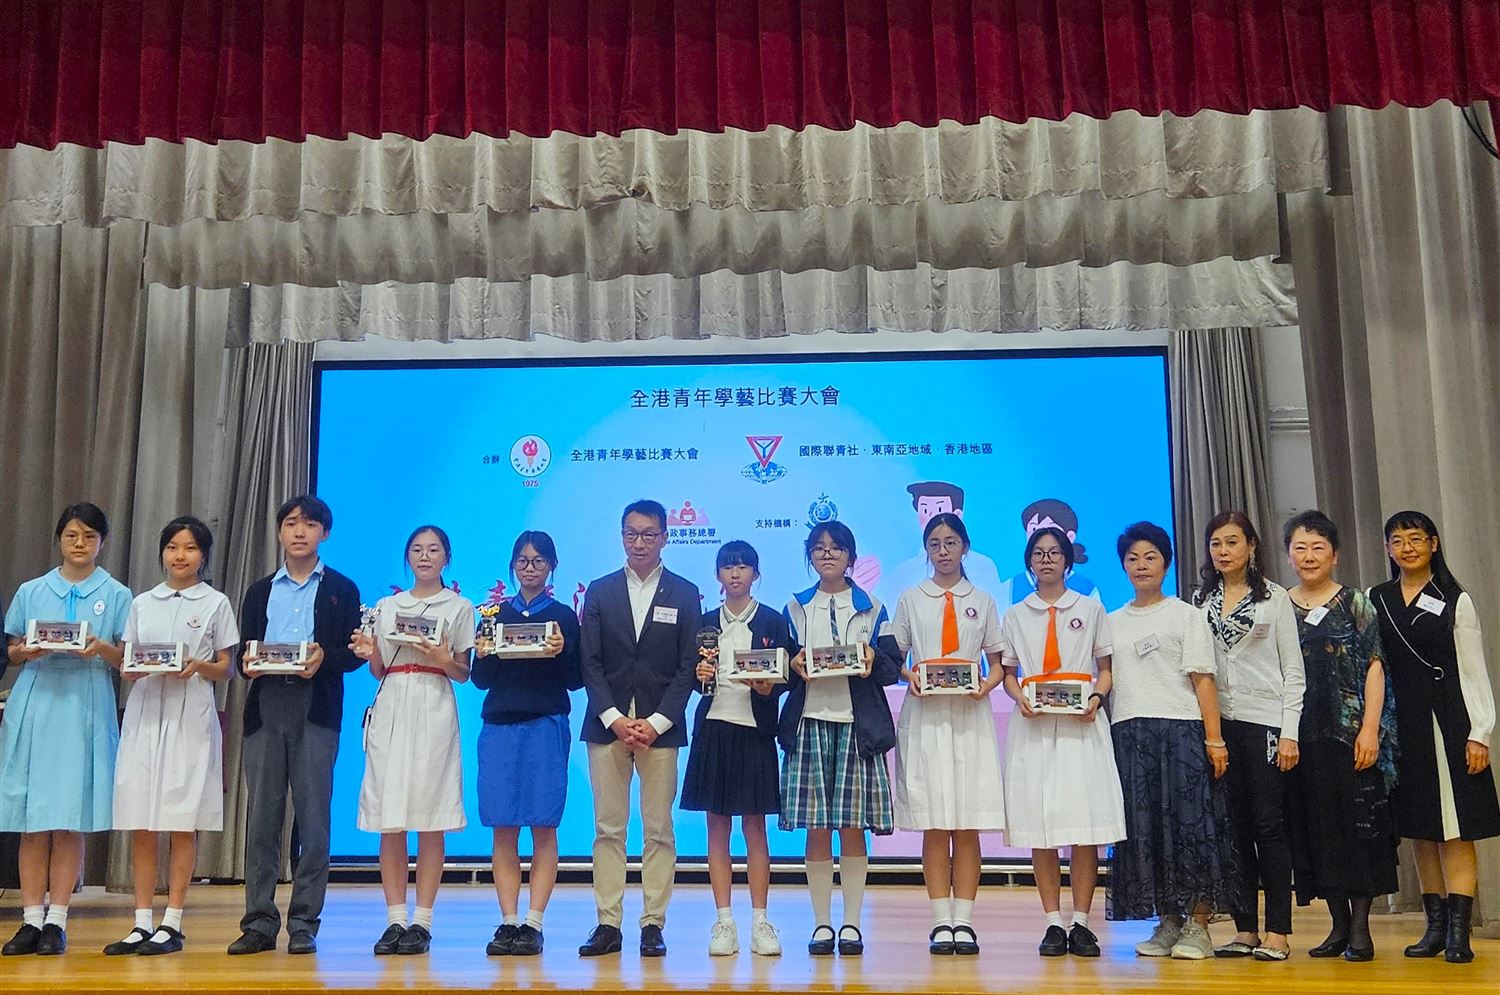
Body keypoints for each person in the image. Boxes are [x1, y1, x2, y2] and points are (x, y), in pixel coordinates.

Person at [229, 494, 362, 956]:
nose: (299, 531)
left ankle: (304, 921)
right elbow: (244, 654)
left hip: (316, 706)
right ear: (279, 532)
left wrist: (326, 659)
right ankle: (258, 922)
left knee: (313, 819)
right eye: (290, 523)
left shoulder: (342, 589)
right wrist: (248, 662)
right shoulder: (259, 590)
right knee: (262, 818)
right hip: (267, 704)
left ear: (325, 532)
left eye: (309, 523)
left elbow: (352, 654)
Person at [0, 503, 131, 956]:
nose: (80, 543)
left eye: (89, 536)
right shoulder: (32, 590)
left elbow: (127, 659)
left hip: (85, 704)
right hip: (36, 701)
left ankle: (57, 920)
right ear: (59, 538)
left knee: (70, 819)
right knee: (31, 820)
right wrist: (25, 653)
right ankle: (29, 920)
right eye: (72, 535)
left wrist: (101, 649)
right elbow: (12, 648)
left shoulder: (117, 594)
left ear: (102, 542)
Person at [107, 516, 239, 956]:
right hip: (146, 709)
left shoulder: (216, 602)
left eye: (190, 548)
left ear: (204, 555)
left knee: (182, 819)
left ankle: (174, 921)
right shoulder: (143, 602)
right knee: (142, 818)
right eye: (172, 547)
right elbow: (128, 660)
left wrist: (199, 666)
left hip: (190, 711)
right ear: (162, 552)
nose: (180, 556)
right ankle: (141, 921)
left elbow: (226, 668)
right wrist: (129, 669)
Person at [1104, 522, 1236, 960]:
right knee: (1147, 834)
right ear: (1123, 566)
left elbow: (1203, 680)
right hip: (1129, 733)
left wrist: (1214, 739)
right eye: (1133, 558)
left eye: (1151, 557)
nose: (1141, 565)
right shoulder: (1111, 622)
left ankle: (1198, 927)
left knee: (1192, 829)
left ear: (1166, 563)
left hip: (1181, 732)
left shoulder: (1186, 615)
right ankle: (1169, 922)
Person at [577, 500, 702, 958]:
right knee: (608, 829)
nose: (640, 542)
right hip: (606, 726)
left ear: (665, 537)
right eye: (631, 533)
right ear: (621, 536)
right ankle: (607, 924)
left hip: (660, 728)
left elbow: (689, 666)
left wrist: (656, 722)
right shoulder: (600, 590)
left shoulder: (685, 593)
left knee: (659, 830)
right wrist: (614, 718)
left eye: (649, 534)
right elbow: (589, 662)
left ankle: (652, 924)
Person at [1370, 510, 1496, 964]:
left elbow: (1472, 669)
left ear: (1434, 544)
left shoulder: (1454, 599)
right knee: (1421, 829)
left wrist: (1480, 732)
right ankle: (1435, 928)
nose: (1407, 548)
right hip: (1403, 726)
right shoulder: (1378, 598)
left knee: (1456, 827)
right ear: (1388, 549)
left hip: (1449, 720)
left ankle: (1460, 934)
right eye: (1397, 540)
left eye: (1416, 538)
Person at [1278, 510, 1398, 961]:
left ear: (1335, 555)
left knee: (1357, 830)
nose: (1309, 556)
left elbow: (1375, 666)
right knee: (1317, 830)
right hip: (1299, 736)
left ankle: (1361, 929)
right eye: (1300, 548)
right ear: (1288, 555)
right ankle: (1338, 926)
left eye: (1318, 548)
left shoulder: (1356, 602)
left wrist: (1370, 729)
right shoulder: (1279, 606)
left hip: (1350, 736)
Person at [350, 525, 475, 956]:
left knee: (430, 812)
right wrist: (369, 650)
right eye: (417, 550)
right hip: (393, 703)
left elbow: (463, 672)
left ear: (446, 558)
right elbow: (378, 670)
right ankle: (393, 919)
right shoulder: (387, 606)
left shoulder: (459, 607)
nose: (425, 556)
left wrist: (442, 658)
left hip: (435, 701)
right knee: (392, 815)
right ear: (407, 557)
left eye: (434, 550)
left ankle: (422, 921)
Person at [1000, 526, 1124, 958]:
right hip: (1034, 728)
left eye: (1054, 552)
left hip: (1081, 725)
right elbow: (1009, 674)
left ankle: (1082, 923)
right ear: (1029, 562)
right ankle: (1053, 922)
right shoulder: (1016, 614)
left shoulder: (1090, 608)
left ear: (1068, 561)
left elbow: (1105, 669)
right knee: (1042, 827)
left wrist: (1096, 698)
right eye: (1039, 553)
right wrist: (1019, 698)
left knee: (1083, 826)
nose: (1047, 559)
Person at [779, 520, 901, 957]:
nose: (827, 554)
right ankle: (821, 923)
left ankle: (851, 922)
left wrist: (872, 658)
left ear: (851, 555)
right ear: (810, 556)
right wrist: (792, 665)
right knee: (817, 827)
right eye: (819, 548)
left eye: (836, 547)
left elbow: (891, 668)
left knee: (852, 827)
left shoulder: (873, 606)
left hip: (856, 726)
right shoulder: (795, 607)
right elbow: (781, 669)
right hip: (809, 722)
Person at [890, 513, 1006, 956]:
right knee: (935, 822)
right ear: (926, 549)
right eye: (935, 543)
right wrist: (911, 677)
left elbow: (997, 662)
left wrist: (986, 686)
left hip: (969, 718)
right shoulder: (911, 598)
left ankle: (965, 921)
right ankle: (941, 920)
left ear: (965, 547)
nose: (943, 550)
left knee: (967, 822)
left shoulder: (982, 600)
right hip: (926, 717)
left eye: (951, 542)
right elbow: (896, 656)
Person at [1195, 510, 1304, 961]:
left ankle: (1278, 931)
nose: (1223, 551)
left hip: (1266, 723)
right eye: (1216, 544)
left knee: (1268, 826)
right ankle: (1245, 929)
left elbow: (1293, 671)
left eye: (1232, 542)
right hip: (1219, 727)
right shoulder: (1200, 600)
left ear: (1252, 546)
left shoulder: (1274, 598)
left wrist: (1289, 732)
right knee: (1233, 828)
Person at [472, 530, 581, 957]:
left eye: (538, 561)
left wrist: (562, 650)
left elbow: (575, 680)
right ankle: (507, 920)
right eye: (522, 560)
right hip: (499, 725)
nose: (530, 567)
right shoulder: (493, 614)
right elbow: (481, 680)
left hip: (546, 724)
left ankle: (534, 922)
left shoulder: (563, 616)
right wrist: (483, 653)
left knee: (543, 825)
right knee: (503, 826)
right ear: (513, 565)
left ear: (552, 566)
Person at [682, 539, 792, 957]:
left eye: (743, 566)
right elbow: (692, 678)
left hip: (754, 733)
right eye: (728, 567)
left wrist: (766, 686)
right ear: (717, 575)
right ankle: (724, 921)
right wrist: (698, 675)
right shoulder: (705, 622)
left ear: (756, 574)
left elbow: (785, 676)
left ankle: (761, 921)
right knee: (716, 828)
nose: (735, 573)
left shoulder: (772, 620)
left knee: (755, 828)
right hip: (713, 730)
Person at [886, 482, 1003, 600]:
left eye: (939, 509)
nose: (943, 552)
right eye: (925, 510)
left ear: (957, 514)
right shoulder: (905, 575)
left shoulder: (983, 567)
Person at [997, 499, 1101, 605]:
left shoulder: (1088, 590)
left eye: (1054, 552)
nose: (1046, 559)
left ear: (1070, 537)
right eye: (1034, 530)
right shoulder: (1010, 587)